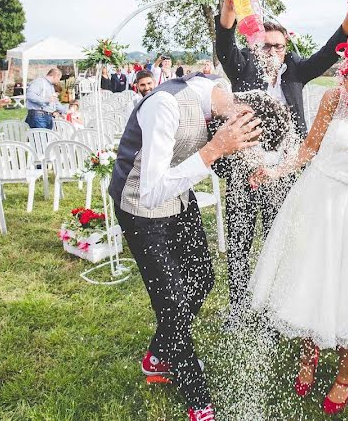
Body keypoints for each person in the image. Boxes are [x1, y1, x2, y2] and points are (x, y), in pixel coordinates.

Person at [248, 35, 348, 416]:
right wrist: (275, 171)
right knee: (309, 274)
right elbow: (308, 149)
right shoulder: (332, 99)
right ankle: (309, 353)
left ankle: (346, 370)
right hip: (314, 196)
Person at [108, 72, 262, 421]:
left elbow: (210, 157)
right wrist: (215, 149)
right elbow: (151, 191)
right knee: (173, 303)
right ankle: (197, 399)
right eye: (244, 115)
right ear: (236, 101)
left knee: (203, 278)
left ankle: (158, 355)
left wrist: (250, 168)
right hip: (141, 208)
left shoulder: (215, 106)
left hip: (179, 199)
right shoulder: (165, 105)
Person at [214, 0, 348, 320]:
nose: (272, 51)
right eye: (265, 46)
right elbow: (223, 42)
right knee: (240, 241)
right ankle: (238, 307)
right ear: (255, 47)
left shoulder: (296, 71)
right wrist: (230, 8)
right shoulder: (243, 67)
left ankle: (275, 304)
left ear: (286, 46)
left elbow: (328, 52)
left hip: (285, 170)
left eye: (278, 46)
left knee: (280, 239)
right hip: (244, 169)